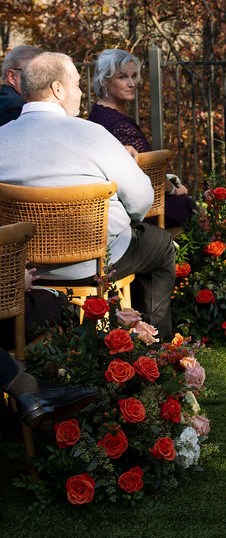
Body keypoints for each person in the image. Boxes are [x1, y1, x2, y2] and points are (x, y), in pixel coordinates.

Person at [0, 53, 177, 337]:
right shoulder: (93, 135)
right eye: (78, 85)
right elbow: (142, 202)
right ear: (58, 89)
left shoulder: (2, 139)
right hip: (95, 264)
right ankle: (155, 346)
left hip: (24, 270)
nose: (81, 93)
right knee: (161, 244)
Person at [87, 49, 193, 228]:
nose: (132, 83)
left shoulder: (98, 111)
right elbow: (149, 171)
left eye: (134, 76)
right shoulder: (118, 124)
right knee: (187, 206)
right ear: (105, 81)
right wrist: (175, 190)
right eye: (123, 77)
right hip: (129, 211)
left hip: (113, 203)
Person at [0, 46, 41, 129]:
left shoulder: (6, 101)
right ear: (12, 76)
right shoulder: (17, 106)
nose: (42, 80)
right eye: (34, 73)